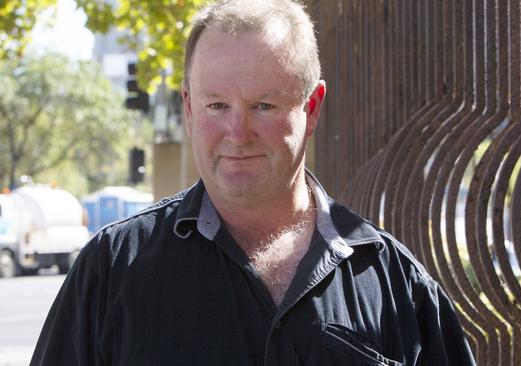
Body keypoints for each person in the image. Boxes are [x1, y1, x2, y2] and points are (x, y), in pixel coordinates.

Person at [31, 0, 475, 365]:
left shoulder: (396, 284)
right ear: (188, 107)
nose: (238, 133)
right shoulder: (110, 271)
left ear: (313, 107)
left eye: (263, 105)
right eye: (217, 105)